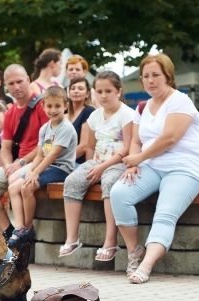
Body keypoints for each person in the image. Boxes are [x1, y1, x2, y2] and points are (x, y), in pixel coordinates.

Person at [110, 54, 199, 284]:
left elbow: (170, 137)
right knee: (119, 194)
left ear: (168, 77)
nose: (150, 80)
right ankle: (134, 252)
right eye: (146, 76)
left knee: (164, 214)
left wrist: (139, 157)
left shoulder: (180, 101)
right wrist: (135, 163)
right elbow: (136, 140)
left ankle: (145, 267)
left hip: (184, 167)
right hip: (152, 165)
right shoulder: (142, 107)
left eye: (156, 75)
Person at [60, 71, 133, 260]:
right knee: (72, 181)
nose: (103, 96)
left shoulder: (127, 115)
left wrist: (102, 168)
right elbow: (91, 147)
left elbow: (128, 148)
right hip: (98, 161)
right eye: (99, 92)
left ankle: (111, 241)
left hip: (119, 163)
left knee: (109, 182)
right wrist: (90, 168)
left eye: (108, 91)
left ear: (118, 91)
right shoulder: (94, 116)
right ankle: (72, 238)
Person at [0, 64, 49, 240]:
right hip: (19, 164)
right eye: (11, 83)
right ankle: (8, 232)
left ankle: (24, 231)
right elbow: (5, 148)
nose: (16, 87)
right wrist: (8, 165)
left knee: (15, 180)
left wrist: (20, 163)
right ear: (6, 85)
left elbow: (46, 145)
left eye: (19, 81)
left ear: (28, 80)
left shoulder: (43, 105)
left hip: (41, 160)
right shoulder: (10, 113)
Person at [7, 86, 76, 247]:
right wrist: (31, 171)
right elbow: (40, 154)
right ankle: (19, 228)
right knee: (13, 188)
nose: (53, 110)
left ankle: (28, 227)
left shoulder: (66, 128)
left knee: (26, 187)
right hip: (46, 166)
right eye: (49, 106)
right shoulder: (45, 128)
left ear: (66, 106)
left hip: (61, 168)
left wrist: (36, 173)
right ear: (43, 106)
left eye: (57, 106)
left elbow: (53, 155)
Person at [67, 77, 95, 167]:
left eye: (80, 88)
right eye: (73, 88)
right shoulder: (65, 114)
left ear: (87, 94)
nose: (76, 91)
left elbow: (84, 146)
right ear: (69, 93)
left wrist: (61, 159)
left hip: (78, 163)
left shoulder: (89, 111)